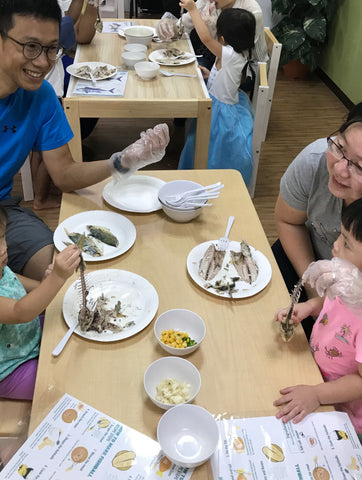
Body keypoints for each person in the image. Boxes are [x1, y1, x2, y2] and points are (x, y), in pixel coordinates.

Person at [0, 0, 170, 281]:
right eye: (30, 46)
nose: (43, 62)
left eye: (52, 48)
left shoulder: (40, 97)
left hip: (5, 212)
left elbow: (64, 175)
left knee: (70, 275)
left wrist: (123, 161)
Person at [273, 198, 362, 438]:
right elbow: (335, 300)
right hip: (314, 374)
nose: (335, 245)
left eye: (346, 243)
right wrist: (311, 306)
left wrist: (317, 394)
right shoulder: (350, 284)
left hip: (342, 411)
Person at [273, 103, 362, 339]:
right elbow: (288, 220)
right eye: (340, 146)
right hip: (306, 261)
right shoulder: (315, 161)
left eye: (360, 166)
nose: (340, 169)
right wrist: (315, 292)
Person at [0, 206, 81, 399]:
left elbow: (22, 284)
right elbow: (20, 312)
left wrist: (45, 283)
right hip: (12, 369)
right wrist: (57, 278)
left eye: (1, 237)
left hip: (28, 334)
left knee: (74, 327)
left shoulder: (1, 268)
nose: (3, 249)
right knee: (60, 384)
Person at [178, 5, 255, 185]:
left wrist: (193, 9)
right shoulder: (236, 53)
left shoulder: (230, 54)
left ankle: (204, 176)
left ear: (222, 37)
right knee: (200, 141)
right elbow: (226, 76)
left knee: (206, 144)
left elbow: (205, 38)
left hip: (222, 112)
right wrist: (209, 73)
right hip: (218, 102)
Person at [156, 0, 268, 72]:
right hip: (217, 55)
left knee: (193, 75)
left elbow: (234, 57)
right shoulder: (209, 1)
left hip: (245, 67)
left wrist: (214, 27)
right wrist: (169, 27)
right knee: (182, 68)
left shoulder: (250, 13)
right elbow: (184, 24)